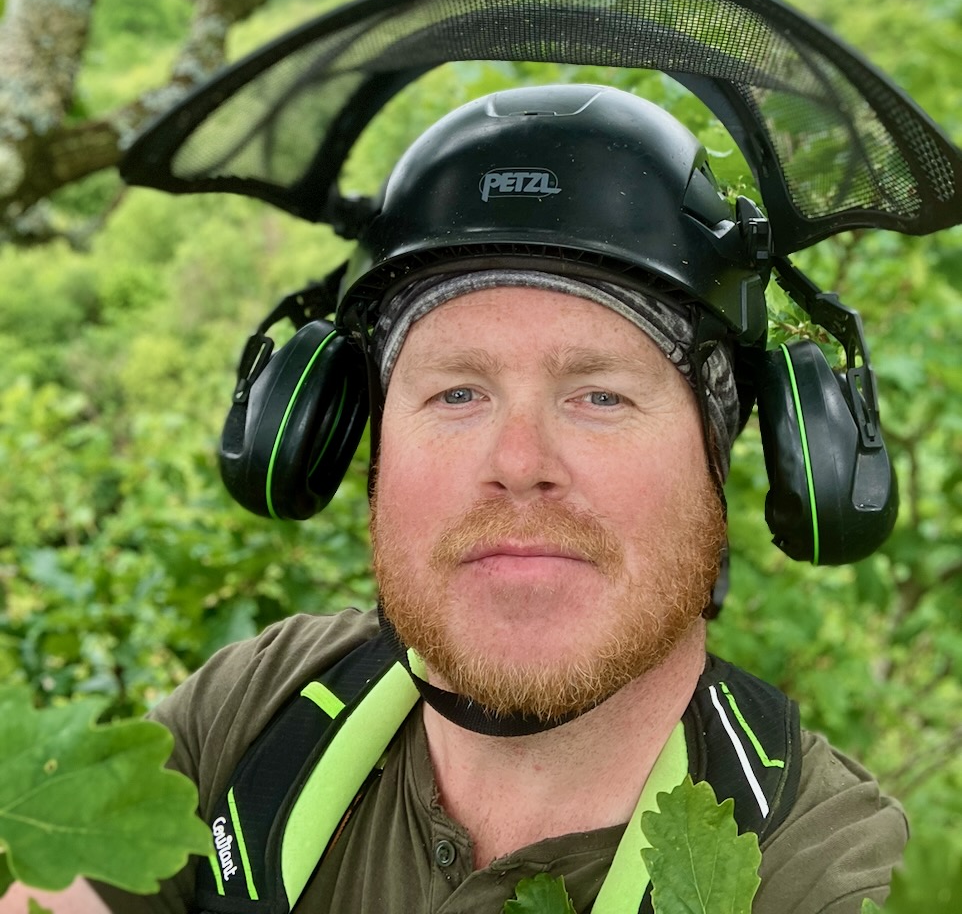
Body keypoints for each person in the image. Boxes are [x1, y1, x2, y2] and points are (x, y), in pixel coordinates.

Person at [90, 82, 906, 913]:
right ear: (345, 443)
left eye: (601, 396)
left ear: (722, 459)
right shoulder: (251, 717)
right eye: (457, 393)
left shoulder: (823, 876)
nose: (519, 462)